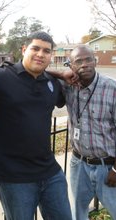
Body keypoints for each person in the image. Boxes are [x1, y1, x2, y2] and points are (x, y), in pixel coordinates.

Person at [0, 31, 72, 220]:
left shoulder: (52, 83)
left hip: (49, 170)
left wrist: (58, 73)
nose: (41, 54)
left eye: (46, 51)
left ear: (51, 55)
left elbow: (65, 96)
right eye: (35, 48)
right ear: (24, 49)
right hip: (13, 175)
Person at [62, 44, 116, 220]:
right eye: (78, 61)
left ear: (95, 61)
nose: (84, 64)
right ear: (71, 66)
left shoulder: (112, 89)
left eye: (88, 59)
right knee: (78, 212)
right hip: (79, 164)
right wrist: (62, 74)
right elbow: (42, 73)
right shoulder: (68, 86)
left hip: (107, 166)